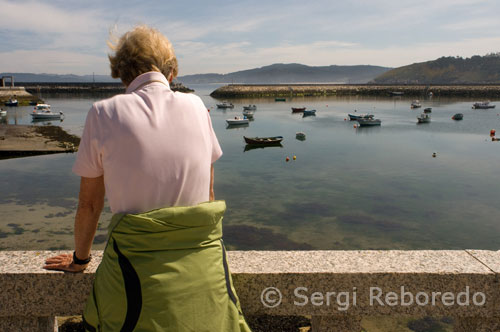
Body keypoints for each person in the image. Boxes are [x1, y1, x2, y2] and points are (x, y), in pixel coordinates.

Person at [43, 25, 251, 332]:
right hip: (202, 275)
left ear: (122, 71)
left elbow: (89, 205)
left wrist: (80, 259)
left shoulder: (103, 113)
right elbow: (207, 195)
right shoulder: (196, 105)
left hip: (134, 281)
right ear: (171, 68)